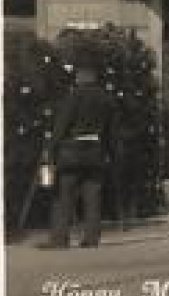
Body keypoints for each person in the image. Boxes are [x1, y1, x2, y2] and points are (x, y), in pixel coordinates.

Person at [44, 61, 118, 249]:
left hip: (72, 154)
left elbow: (61, 127)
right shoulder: (106, 99)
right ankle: (91, 239)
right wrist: (111, 154)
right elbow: (111, 132)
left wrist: (50, 149)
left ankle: (60, 239)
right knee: (93, 197)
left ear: (79, 78)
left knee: (63, 197)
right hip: (96, 153)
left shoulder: (72, 97)